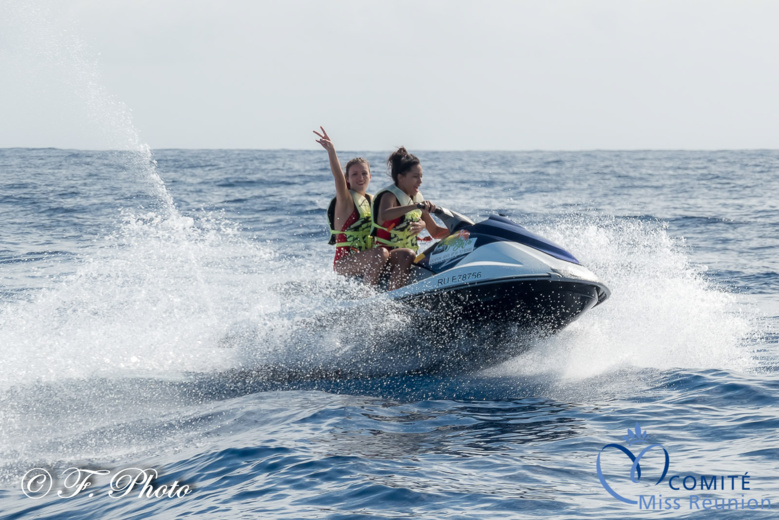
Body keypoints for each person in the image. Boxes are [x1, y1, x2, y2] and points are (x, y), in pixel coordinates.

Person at [314, 127, 389, 285]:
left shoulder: (373, 200)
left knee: (395, 253)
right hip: (345, 262)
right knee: (380, 253)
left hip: (368, 260)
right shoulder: (346, 200)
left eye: (364, 173)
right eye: (354, 174)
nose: (360, 178)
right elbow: (338, 178)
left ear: (370, 176)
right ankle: (367, 296)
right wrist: (331, 151)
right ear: (347, 178)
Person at [371, 147, 450, 290]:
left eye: (421, 176)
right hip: (386, 257)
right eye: (415, 177)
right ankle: (392, 299)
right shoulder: (389, 196)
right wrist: (415, 207)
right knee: (407, 254)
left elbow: (435, 232)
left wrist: (465, 232)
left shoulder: (417, 199)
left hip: (408, 257)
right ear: (401, 177)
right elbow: (385, 214)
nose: (420, 181)